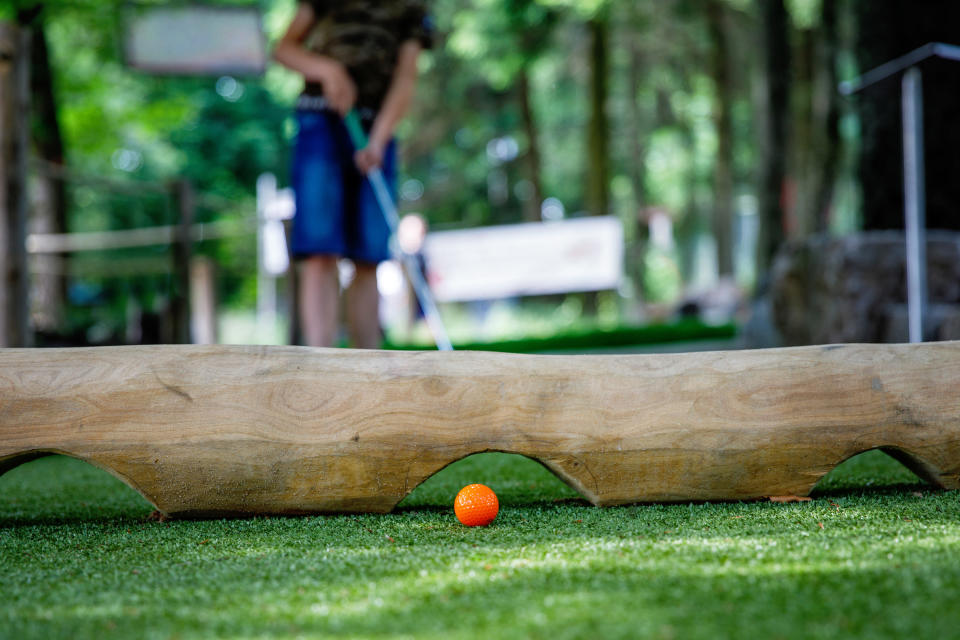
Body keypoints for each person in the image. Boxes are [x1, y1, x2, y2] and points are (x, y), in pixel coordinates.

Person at [273, 1, 433, 348]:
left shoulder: (412, 8)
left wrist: (377, 140)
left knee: (369, 252)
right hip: (320, 120)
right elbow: (284, 49)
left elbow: (406, 79)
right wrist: (327, 70)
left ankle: (368, 366)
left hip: (377, 127)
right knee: (319, 248)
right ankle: (320, 364)